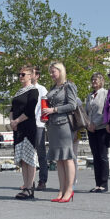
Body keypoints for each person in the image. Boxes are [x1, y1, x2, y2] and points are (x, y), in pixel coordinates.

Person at [42, 61, 79, 202]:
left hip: (64, 125)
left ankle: (69, 190)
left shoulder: (69, 85)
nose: (51, 74)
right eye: (50, 72)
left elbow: (72, 105)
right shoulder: (54, 87)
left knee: (67, 157)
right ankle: (61, 189)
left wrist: (54, 110)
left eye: (53, 72)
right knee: (59, 159)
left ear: (60, 71)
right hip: (52, 124)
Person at [10, 66, 39, 199]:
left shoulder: (33, 91)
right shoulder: (18, 92)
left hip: (27, 126)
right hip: (18, 128)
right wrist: (11, 121)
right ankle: (25, 185)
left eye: (23, 74)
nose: (20, 76)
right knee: (22, 158)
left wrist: (17, 121)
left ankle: (29, 187)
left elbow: (30, 110)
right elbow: (12, 108)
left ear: (30, 75)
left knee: (29, 157)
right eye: (19, 74)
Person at [85, 73, 109, 192]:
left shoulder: (105, 93)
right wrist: (88, 124)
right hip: (91, 129)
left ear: (101, 81)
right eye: (92, 79)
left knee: (102, 156)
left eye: (96, 79)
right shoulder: (89, 95)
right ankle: (97, 183)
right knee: (95, 156)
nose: (94, 81)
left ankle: (104, 184)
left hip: (101, 128)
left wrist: (95, 123)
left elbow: (105, 111)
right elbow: (86, 112)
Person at [32, 68, 49, 191]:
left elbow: (45, 105)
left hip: (38, 124)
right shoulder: (24, 89)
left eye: (31, 73)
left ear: (37, 75)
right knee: (28, 154)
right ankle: (29, 181)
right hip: (26, 125)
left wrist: (44, 118)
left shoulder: (42, 89)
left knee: (40, 152)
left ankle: (42, 180)